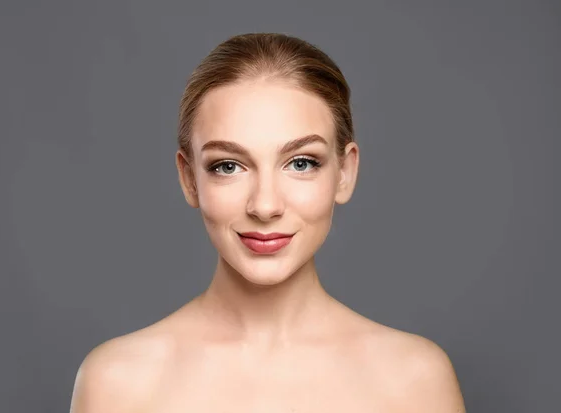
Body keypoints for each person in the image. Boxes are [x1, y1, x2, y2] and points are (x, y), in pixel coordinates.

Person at [69, 32, 466, 412]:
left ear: (345, 172)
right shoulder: (118, 382)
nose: (264, 205)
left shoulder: (415, 381)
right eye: (228, 166)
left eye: (300, 163)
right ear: (189, 178)